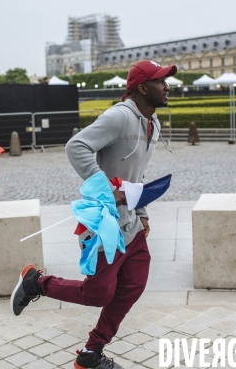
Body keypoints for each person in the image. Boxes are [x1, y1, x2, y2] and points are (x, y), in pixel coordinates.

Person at [10, 60, 176, 369]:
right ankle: (36, 282)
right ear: (142, 88)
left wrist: (142, 211)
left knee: (133, 285)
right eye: (161, 80)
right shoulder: (120, 116)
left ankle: (91, 352)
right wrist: (104, 189)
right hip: (104, 223)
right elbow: (77, 146)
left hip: (132, 224)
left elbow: (135, 174)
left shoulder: (152, 124)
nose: (167, 86)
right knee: (98, 293)